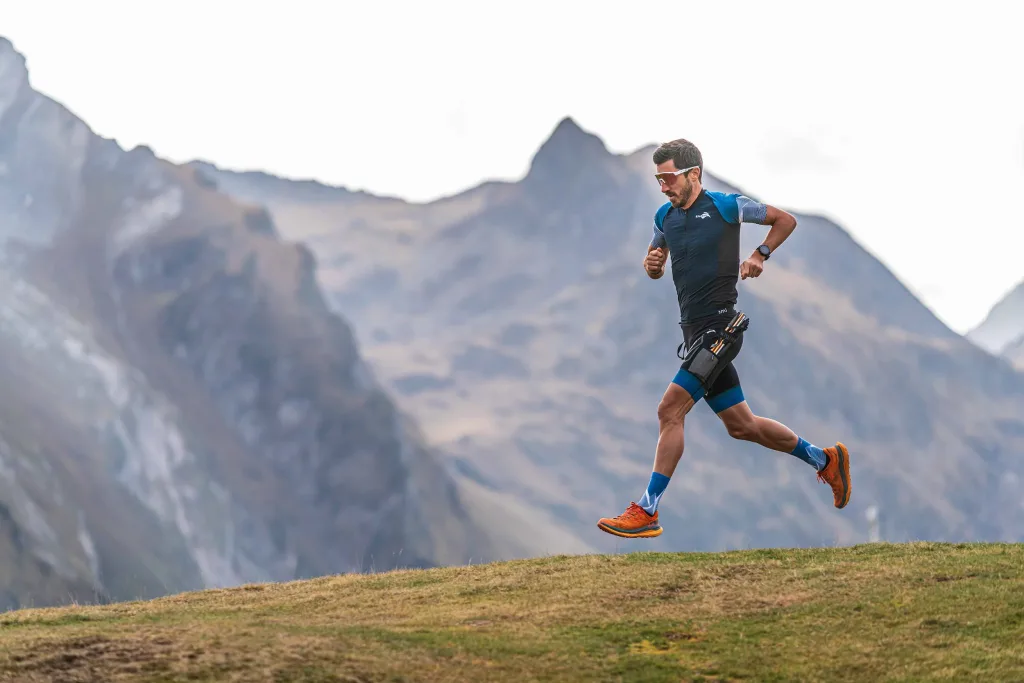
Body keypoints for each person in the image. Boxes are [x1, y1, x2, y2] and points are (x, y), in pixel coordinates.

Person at [597, 138, 851, 539]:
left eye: (668, 178)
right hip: (694, 335)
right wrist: (651, 265)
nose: (663, 187)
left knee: (670, 411)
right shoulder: (663, 217)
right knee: (742, 425)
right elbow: (655, 264)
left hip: (721, 330)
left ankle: (647, 510)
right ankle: (824, 460)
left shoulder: (726, 206)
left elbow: (785, 219)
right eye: (658, 179)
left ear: (693, 174)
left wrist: (759, 254)